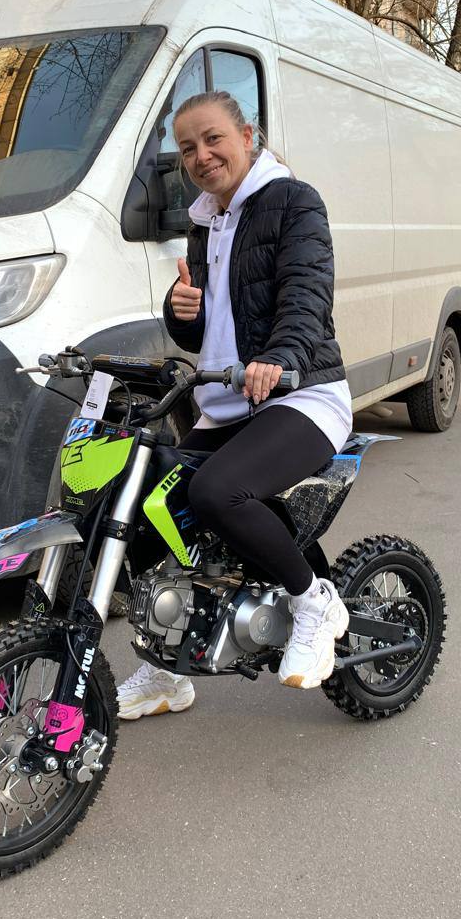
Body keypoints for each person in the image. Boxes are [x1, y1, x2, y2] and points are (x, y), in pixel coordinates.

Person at [116, 90, 355, 720]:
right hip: (227, 403)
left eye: (213, 138)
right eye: (188, 148)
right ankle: (167, 670)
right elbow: (207, 329)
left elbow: (307, 293)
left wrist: (280, 357)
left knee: (217, 493)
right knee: (151, 504)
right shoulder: (205, 222)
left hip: (302, 396)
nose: (201, 155)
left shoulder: (293, 202)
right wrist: (181, 312)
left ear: (247, 136)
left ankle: (313, 600)